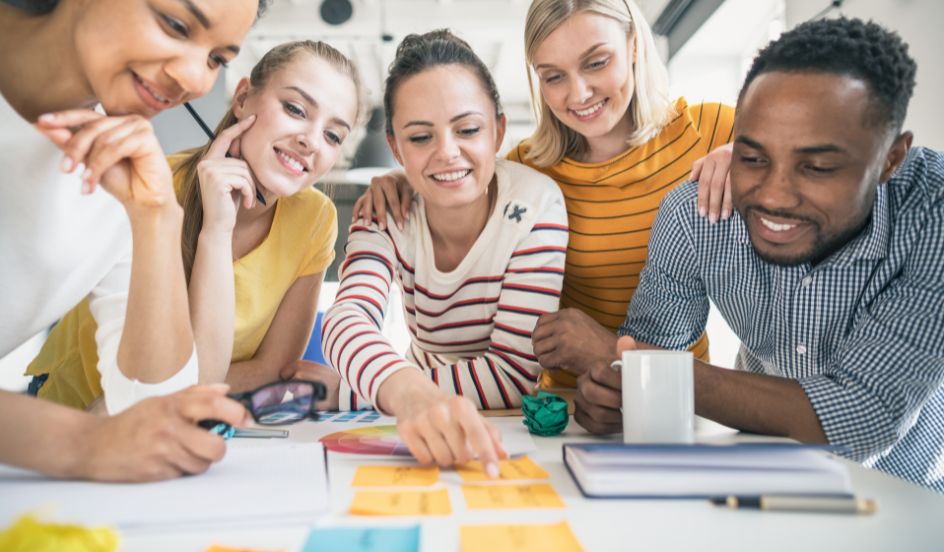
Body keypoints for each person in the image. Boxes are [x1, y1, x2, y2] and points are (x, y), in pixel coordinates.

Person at [577, 17, 944, 492]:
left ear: (890, 159)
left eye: (817, 167)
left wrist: (649, 372)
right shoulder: (697, 213)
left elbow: (861, 417)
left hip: (907, 498)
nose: (774, 196)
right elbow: (644, 360)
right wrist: (616, 394)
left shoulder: (931, 212)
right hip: (761, 482)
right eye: (752, 158)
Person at [351, 0, 736, 392]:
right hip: (569, 399)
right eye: (554, 77)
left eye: (597, 62)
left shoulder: (712, 132)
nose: (579, 93)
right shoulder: (531, 171)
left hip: (680, 395)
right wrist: (404, 178)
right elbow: (460, 169)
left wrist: (752, 155)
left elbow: (797, 140)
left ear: (634, 45)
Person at [0, 0, 266, 481]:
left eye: (217, 59)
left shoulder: (118, 170)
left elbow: (154, 412)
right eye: (176, 24)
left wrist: (157, 218)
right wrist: (80, 441)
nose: (194, 80)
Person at [26, 40, 361, 409]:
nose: (311, 141)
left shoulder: (315, 218)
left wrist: (218, 230)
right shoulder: (148, 186)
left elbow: (269, 370)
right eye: (296, 109)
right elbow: (176, 382)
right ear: (243, 98)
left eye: (333, 136)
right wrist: (215, 230)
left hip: (175, 422)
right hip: (78, 412)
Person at [321, 29, 569, 475]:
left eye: (468, 129)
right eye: (420, 138)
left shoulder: (535, 204)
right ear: (395, 147)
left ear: (498, 132)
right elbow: (346, 318)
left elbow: (514, 376)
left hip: (504, 433)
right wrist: (407, 393)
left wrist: (360, 390)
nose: (447, 153)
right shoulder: (383, 211)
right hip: (415, 420)